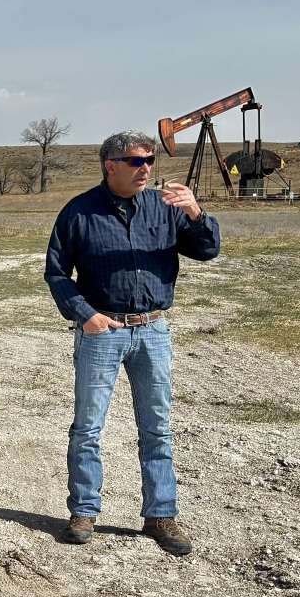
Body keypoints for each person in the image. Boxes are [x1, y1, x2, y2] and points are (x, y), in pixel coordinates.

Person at [44, 131, 220, 555]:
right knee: (88, 426)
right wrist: (86, 316)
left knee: (156, 427)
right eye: (136, 161)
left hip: (153, 329)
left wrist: (196, 212)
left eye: (150, 160)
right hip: (103, 331)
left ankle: (161, 515)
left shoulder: (166, 208)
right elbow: (55, 274)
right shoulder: (79, 213)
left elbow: (208, 249)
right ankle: (84, 511)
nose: (146, 168)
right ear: (110, 165)